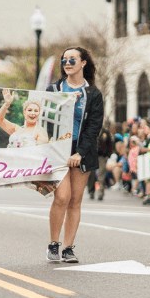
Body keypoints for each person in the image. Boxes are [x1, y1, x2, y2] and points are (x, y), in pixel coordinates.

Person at [45, 47, 104, 264]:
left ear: (83, 63)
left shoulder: (94, 94)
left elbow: (94, 127)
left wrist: (80, 152)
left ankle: (69, 247)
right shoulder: (54, 89)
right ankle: (53, 243)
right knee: (62, 197)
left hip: (82, 152)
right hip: (57, 150)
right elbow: (44, 118)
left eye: (72, 59)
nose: (67, 63)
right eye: (64, 60)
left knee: (75, 201)